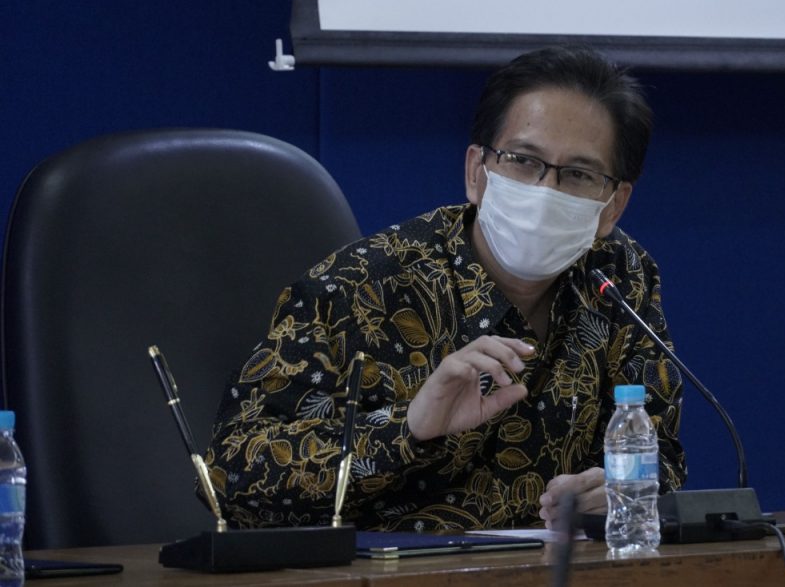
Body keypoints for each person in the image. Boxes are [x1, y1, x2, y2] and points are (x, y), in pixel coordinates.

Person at [204, 45, 686, 531]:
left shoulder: (620, 277)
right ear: (477, 171)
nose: (545, 190)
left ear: (613, 205)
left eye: (579, 174)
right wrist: (408, 429)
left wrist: (617, 488)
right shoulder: (362, 286)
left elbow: (660, 454)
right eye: (523, 160)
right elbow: (229, 478)